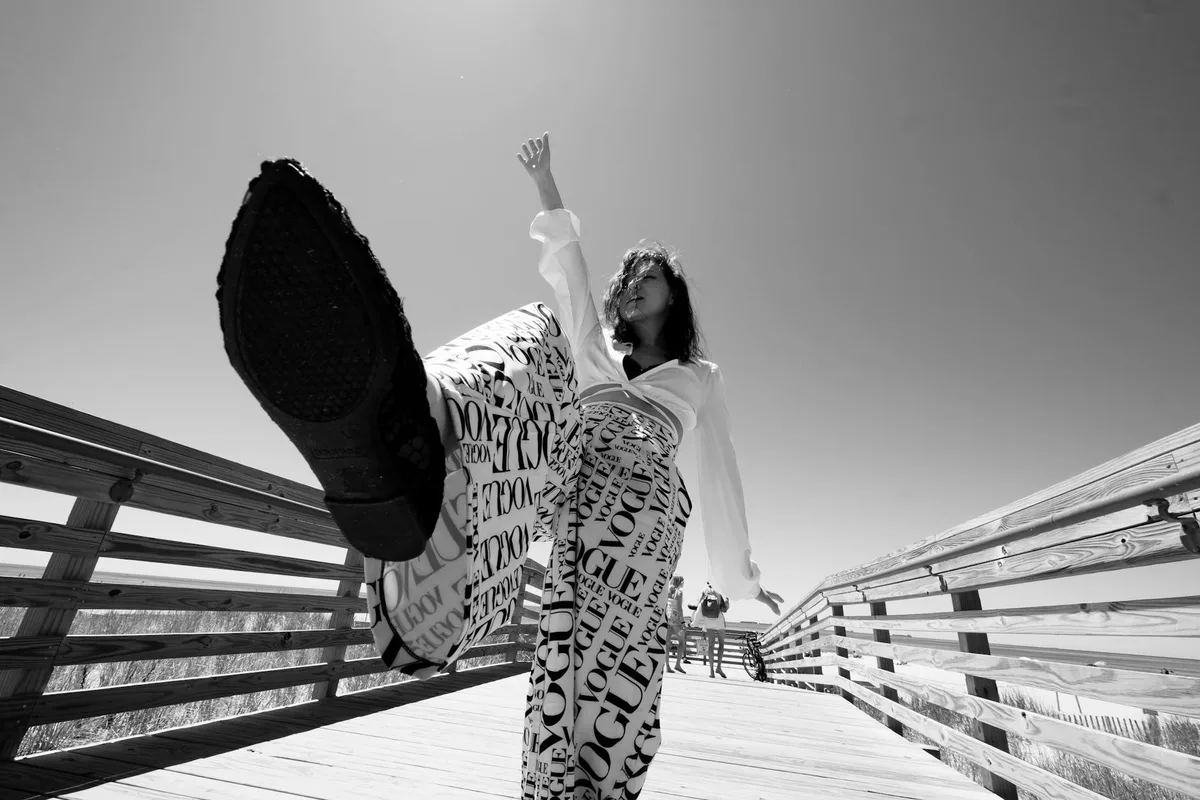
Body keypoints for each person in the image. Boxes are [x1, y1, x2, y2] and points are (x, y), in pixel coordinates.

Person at [215, 132, 783, 800]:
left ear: (674, 295)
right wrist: (547, 183)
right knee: (541, 333)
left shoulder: (699, 375)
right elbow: (570, 269)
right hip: (569, 466)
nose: (630, 288)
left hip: (641, 511)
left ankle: (583, 782)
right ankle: (425, 418)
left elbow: (722, 472)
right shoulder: (595, 344)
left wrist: (741, 575)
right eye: (626, 279)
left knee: (608, 653)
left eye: (647, 278)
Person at [691, 585, 730, 678]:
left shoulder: (704, 598)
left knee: (711, 646)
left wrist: (692, 624)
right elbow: (726, 608)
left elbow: (698, 614)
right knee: (721, 644)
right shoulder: (719, 594)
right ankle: (719, 667)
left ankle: (711, 671)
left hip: (708, 623)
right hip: (719, 621)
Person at [665, 575, 687, 673]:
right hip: (676, 620)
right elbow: (679, 609)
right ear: (679, 582)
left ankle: (667, 666)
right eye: (682, 581)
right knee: (682, 642)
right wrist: (683, 622)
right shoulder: (679, 592)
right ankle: (677, 664)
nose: (683, 583)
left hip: (667, 618)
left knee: (667, 642)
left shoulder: (667, 590)